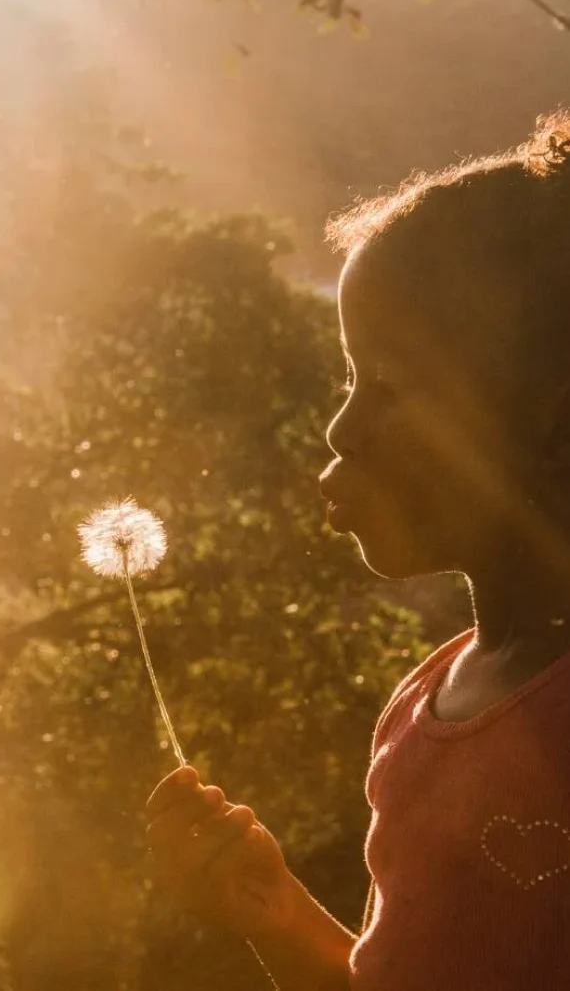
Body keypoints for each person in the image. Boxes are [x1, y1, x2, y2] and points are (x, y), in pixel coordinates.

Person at [146, 114, 570, 990]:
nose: (341, 425)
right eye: (350, 381)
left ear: (553, 420)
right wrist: (282, 917)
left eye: (386, 386)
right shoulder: (424, 703)